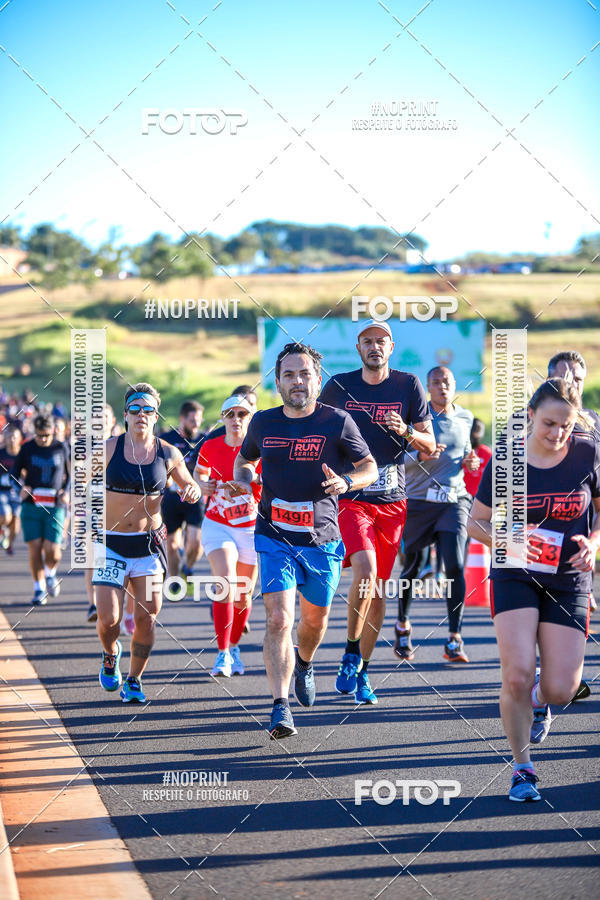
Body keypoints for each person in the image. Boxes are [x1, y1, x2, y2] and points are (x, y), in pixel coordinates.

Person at [230, 342, 377, 738]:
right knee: (279, 617)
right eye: (289, 374)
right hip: (273, 535)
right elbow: (244, 459)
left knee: (315, 619)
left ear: (317, 378)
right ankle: (280, 707)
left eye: (305, 373)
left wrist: (347, 481)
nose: (298, 381)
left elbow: (369, 467)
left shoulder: (338, 422)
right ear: (278, 382)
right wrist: (244, 481)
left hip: (321, 538)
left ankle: (306, 662)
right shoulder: (262, 422)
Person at [468, 378, 599, 802]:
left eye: (565, 425)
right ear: (529, 416)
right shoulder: (507, 459)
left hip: (569, 578)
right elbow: (475, 522)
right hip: (515, 573)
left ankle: (542, 697)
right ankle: (522, 768)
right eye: (548, 423)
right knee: (517, 672)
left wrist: (594, 545)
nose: (557, 434)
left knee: (563, 688)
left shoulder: (587, 452)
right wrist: (506, 540)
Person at [319, 319, 435, 703]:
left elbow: (430, 445)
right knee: (365, 571)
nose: (375, 347)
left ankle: (363, 669)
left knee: (379, 590)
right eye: (367, 341)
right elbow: (315, 430)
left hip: (393, 501)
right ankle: (351, 648)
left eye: (381, 341)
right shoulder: (339, 386)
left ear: (391, 346)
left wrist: (405, 431)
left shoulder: (408, 385)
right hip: (352, 495)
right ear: (358, 348)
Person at [93, 383, 201, 703]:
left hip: (148, 546)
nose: (142, 415)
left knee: (147, 617)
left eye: (148, 410)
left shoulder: (169, 453)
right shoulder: (109, 449)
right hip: (110, 544)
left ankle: (135, 679)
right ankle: (110, 653)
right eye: (136, 409)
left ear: (156, 416)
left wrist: (191, 490)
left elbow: (189, 484)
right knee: (108, 618)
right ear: (126, 414)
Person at [393, 366, 480, 662]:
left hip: (454, 500)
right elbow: (396, 462)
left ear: (455, 385)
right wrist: (419, 456)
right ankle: (402, 626)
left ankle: (454, 638)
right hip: (417, 501)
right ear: (428, 388)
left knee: (454, 565)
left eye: (447, 381)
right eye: (436, 382)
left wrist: (470, 461)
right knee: (413, 569)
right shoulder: (415, 420)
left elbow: (466, 451)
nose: (442, 386)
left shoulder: (466, 417)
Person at [195, 395, 261, 676]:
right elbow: (198, 475)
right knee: (225, 581)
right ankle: (222, 653)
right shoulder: (210, 446)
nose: (236, 420)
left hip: (250, 527)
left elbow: (276, 482)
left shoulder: (260, 448)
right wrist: (204, 486)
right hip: (217, 524)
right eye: (230, 414)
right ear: (222, 418)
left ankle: (234, 646)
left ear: (250, 417)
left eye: (242, 414)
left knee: (243, 596)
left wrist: (254, 481)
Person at [12, 414, 69, 605]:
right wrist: (20, 488)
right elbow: (14, 474)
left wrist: (66, 491)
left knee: (52, 550)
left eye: (46, 435)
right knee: (35, 548)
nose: (42, 439)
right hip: (32, 505)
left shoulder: (62, 447)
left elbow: (72, 475)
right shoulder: (27, 447)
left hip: (55, 505)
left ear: (53, 431)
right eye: (39, 435)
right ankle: (39, 589)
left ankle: (50, 573)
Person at [160, 400, 206, 582]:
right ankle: (174, 581)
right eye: (192, 420)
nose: (196, 425)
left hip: (195, 497)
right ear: (182, 419)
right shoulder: (168, 440)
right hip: (172, 497)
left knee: (195, 543)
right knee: (171, 545)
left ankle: (187, 567)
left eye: (199, 421)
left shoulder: (204, 439)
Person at [0, 425, 23, 554]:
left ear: (19, 439)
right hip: (2, 490)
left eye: (15, 437)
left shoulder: (22, 454)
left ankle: (10, 542)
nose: (12, 439)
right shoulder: (1, 453)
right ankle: (2, 531)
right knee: (5, 515)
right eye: (9, 437)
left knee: (15, 520)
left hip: (18, 492)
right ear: (6, 439)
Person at [463, 419, 492, 499]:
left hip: (480, 497)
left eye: (478, 431)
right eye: (474, 431)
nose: (475, 435)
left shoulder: (486, 453)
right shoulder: (459, 451)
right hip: (461, 496)